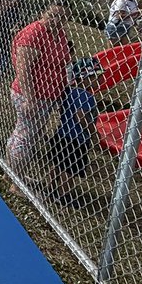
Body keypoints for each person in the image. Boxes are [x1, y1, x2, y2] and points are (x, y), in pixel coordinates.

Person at [6, 0, 72, 183]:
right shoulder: (34, 33)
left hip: (48, 96)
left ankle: (11, 174)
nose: (56, 20)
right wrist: (30, 99)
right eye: (52, 15)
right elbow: (23, 68)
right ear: (43, 13)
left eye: (62, 17)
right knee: (24, 137)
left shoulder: (59, 34)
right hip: (32, 95)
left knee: (28, 135)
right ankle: (15, 182)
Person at [44, 56, 104, 207]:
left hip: (61, 134)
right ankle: (63, 195)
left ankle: (49, 187)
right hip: (77, 139)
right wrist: (93, 132)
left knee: (57, 164)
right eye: (96, 77)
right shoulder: (86, 95)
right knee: (69, 170)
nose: (100, 80)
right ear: (85, 78)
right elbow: (81, 116)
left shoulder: (69, 91)